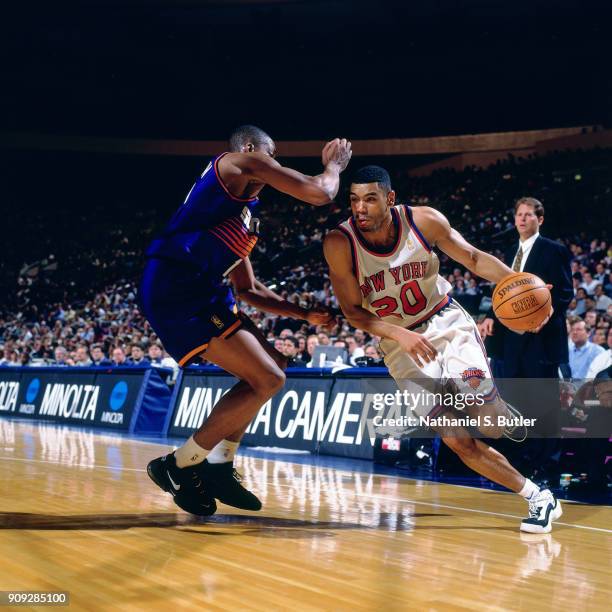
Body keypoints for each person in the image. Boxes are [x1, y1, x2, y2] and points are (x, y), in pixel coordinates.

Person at [324, 165, 561, 533]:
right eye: (354, 200)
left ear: (389, 199)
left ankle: (497, 407)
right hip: (398, 343)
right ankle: (538, 497)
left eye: (370, 199)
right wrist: (399, 335)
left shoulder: (425, 221)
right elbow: (352, 312)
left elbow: (473, 258)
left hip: (445, 323)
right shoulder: (339, 243)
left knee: (487, 419)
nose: (360, 208)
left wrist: (520, 282)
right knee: (457, 441)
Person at [143, 126, 351, 516]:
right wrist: (334, 167)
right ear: (253, 149)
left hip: (204, 290)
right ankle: (176, 465)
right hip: (176, 288)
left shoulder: (239, 213)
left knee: (277, 366)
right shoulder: (237, 162)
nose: (274, 162)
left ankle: (220, 464)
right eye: (272, 154)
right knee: (269, 379)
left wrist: (304, 314)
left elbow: (248, 290)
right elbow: (320, 192)